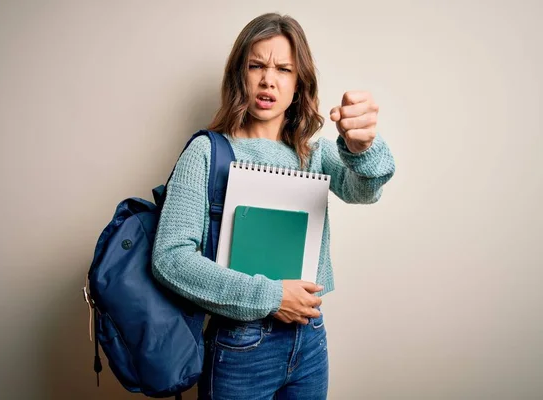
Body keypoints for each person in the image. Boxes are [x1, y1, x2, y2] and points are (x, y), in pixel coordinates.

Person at [151, 12, 395, 400]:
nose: (268, 79)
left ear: (298, 85)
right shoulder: (207, 152)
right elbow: (170, 258)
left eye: (284, 69)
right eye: (256, 66)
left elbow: (364, 190)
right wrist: (272, 297)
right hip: (240, 345)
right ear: (239, 75)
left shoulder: (312, 154)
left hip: (310, 339)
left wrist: (362, 148)